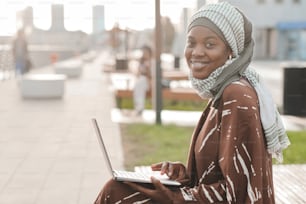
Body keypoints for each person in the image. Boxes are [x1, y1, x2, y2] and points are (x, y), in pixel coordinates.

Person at [94, 2, 290, 203]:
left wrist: (175, 197)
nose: (196, 52)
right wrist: (186, 175)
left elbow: (240, 190)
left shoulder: (237, 95)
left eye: (210, 44)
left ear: (230, 51)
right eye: (191, 43)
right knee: (117, 188)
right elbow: (221, 172)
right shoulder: (222, 90)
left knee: (116, 191)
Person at [132, 45, 153, 116]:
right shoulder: (141, 62)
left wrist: (147, 70)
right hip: (141, 82)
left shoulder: (152, 62)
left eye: (146, 52)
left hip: (149, 83)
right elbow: (137, 74)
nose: (144, 54)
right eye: (143, 52)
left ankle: (139, 108)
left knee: (140, 82)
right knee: (138, 84)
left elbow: (151, 76)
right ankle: (139, 107)